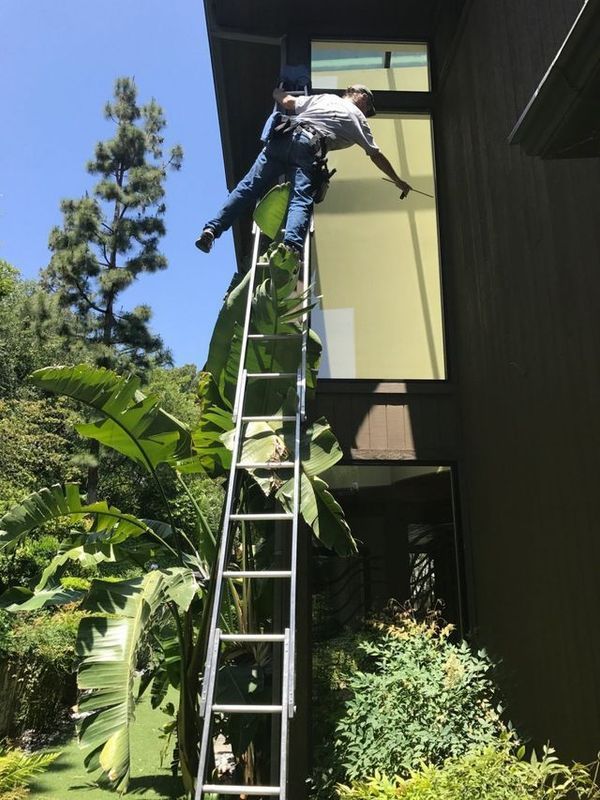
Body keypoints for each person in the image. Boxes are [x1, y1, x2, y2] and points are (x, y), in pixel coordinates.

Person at [195, 84, 412, 256]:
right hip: (308, 148)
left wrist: (276, 92)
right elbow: (375, 154)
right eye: (368, 105)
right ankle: (290, 249)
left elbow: (288, 102)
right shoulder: (358, 118)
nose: (367, 110)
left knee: (248, 187)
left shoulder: (325, 98)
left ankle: (212, 230)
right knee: (300, 200)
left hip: (283, 136)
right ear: (358, 95)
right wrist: (397, 180)